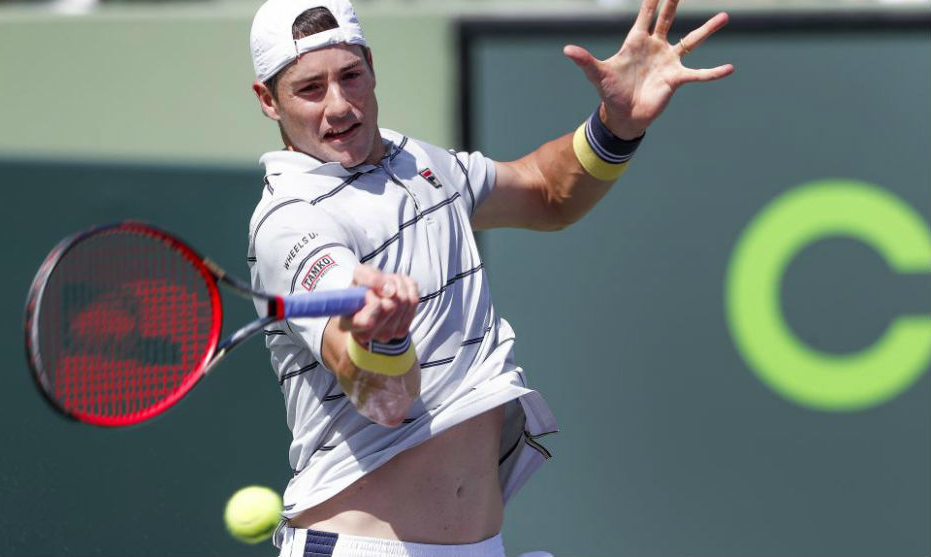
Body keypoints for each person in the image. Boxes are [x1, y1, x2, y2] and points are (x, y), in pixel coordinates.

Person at [246, 0, 732, 555]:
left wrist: (616, 125)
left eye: (350, 76)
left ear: (372, 67)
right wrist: (382, 338)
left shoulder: (417, 161)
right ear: (268, 100)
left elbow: (546, 192)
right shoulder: (290, 222)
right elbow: (383, 400)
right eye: (310, 89)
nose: (338, 105)